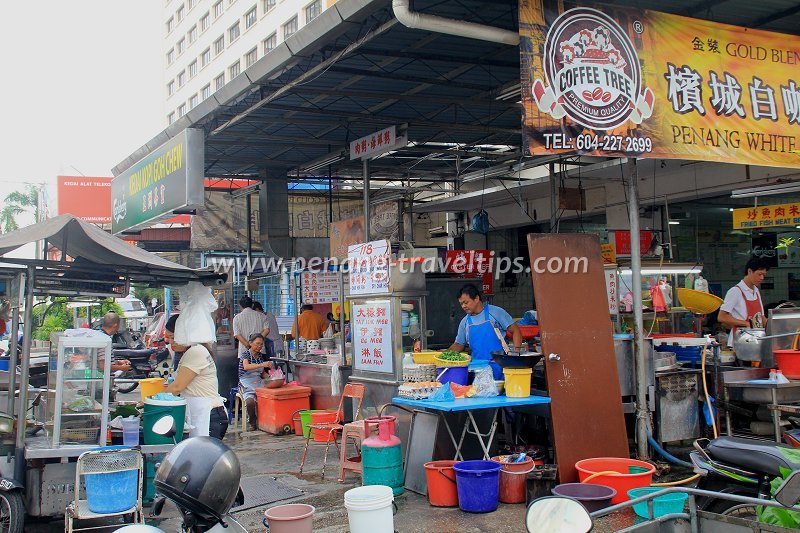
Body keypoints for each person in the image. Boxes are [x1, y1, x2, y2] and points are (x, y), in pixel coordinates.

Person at [164, 314, 228, 439]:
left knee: (204, 457)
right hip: (202, 413)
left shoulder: (195, 351)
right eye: (169, 338)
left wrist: (154, 399)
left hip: (209, 416)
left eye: (173, 337)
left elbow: (177, 387)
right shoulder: (191, 351)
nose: (170, 342)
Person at [448, 284, 522, 380]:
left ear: (476, 298)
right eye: (461, 304)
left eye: (466, 302)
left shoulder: (495, 313)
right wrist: (443, 355)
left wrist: (516, 353)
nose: (463, 306)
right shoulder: (465, 322)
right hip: (477, 369)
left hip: (499, 367)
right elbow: (459, 345)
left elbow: (516, 331)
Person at [718, 256, 770, 348]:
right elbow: (722, 317)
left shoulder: (756, 291)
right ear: (750, 271)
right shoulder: (735, 291)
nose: (762, 278)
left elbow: (761, 317)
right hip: (739, 343)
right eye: (759, 274)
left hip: (755, 342)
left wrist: (775, 327)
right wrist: (747, 324)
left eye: (764, 275)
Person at [238, 333, 275, 431]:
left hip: (258, 381)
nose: (259, 346)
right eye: (257, 344)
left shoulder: (260, 357)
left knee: (268, 397)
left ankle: (267, 421)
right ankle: (252, 422)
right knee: (250, 402)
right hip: (246, 382)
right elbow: (246, 366)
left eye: (261, 344)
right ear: (250, 343)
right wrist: (262, 364)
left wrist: (272, 377)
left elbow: (262, 373)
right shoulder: (245, 354)